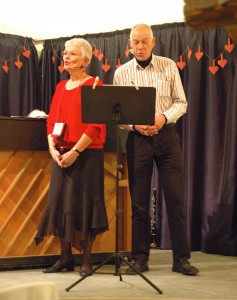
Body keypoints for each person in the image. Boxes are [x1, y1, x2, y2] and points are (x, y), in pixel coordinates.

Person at [113, 24, 199, 276]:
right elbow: (117, 112)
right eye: (135, 42)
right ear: (129, 44)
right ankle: (139, 258)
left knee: (175, 199)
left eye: (144, 42)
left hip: (166, 136)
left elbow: (181, 102)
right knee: (139, 202)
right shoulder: (121, 72)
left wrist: (161, 118)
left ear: (153, 42)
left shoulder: (168, 65)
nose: (139, 47)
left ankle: (181, 259)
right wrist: (135, 124)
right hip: (137, 139)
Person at [34, 38, 108, 277]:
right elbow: (51, 122)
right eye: (65, 53)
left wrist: (76, 151)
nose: (66, 57)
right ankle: (65, 257)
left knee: (85, 206)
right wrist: (52, 149)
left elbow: (96, 125)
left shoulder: (95, 85)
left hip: (86, 156)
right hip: (62, 155)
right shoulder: (59, 87)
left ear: (85, 61)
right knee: (60, 204)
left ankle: (86, 260)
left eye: (72, 54)